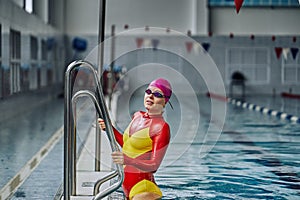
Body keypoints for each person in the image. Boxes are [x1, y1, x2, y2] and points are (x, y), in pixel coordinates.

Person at [98, 78, 172, 200]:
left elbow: (154, 165)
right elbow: (128, 145)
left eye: (157, 94)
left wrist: (128, 160)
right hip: (128, 189)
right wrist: (110, 129)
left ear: (165, 102)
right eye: (148, 92)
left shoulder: (161, 127)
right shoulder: (137, 116)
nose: (150, 96)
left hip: (144, 190)